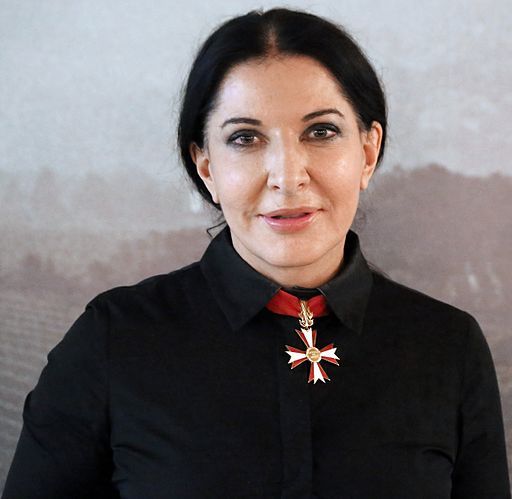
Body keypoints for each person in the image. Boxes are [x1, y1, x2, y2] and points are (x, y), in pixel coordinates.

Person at [2, 7, 510, 499]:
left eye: (321, 132)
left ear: (367, 152)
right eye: (245, 138)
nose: (287, 176)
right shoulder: (112, 340)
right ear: (205, 166)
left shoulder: (449, 348)